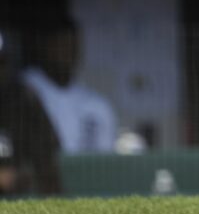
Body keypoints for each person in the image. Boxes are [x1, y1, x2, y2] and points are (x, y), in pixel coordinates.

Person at [21, 17, 117, 155]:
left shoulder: (96, 104)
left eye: (73, 47)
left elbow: (105, 162)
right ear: (46, 47)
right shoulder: (24, 88)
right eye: (62, 45)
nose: (68, 54)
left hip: (81, 175)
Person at [0, 29, 61, 196]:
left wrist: (20, 175)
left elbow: (48, 156)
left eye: (1, 62)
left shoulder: (23, 98)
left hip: (20, 197)